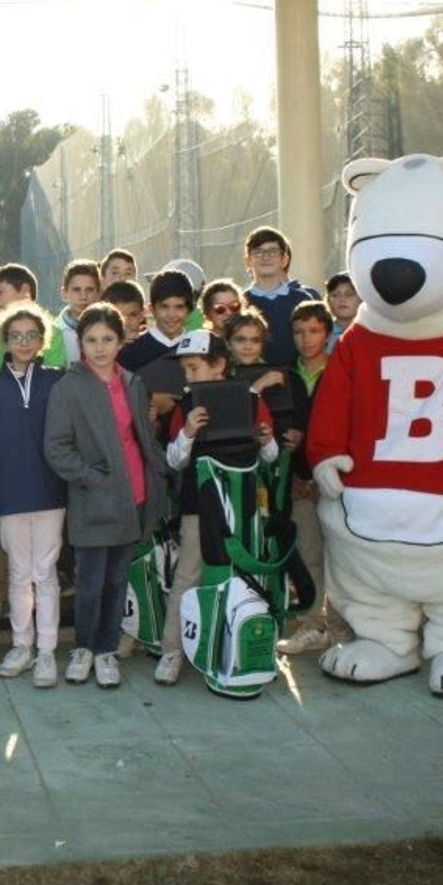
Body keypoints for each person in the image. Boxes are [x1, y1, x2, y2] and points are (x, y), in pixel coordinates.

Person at [43, 303, 165, 689]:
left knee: (117, 580)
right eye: (91, 340)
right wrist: (90, 478)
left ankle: (106, 650)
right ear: (79, 343)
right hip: (93, 499)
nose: (99, 348)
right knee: (90, 580)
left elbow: (143, 437)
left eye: (107, 339)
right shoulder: (68, 387)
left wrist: (160, 473)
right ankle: (83, 648)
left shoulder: (132, 382)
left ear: (121, 340)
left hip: (135, 494)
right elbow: (57, 447)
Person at [158, 329, 277, 685]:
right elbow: (174, 461)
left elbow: (269, 456)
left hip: (244, 507)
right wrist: (188, 432)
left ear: (219, 364)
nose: (189, 376)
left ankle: (244, 646)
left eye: (194, 367)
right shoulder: (185, 405)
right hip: (199, 504)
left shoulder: (252, 401)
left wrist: (267, 440)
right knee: (188, 574)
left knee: (246, 574)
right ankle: (171, 651)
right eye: (185, 370)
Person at [0, 305, 66, 688]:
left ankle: (46, 652)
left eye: (32, 335)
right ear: (5, 342)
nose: (24, 342)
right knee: (18, 573)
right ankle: (21, 645)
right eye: (16, 336)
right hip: (9, 490)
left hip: (50, 491)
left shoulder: (57, 380)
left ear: (43, 339)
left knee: (45, 574)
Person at [276, 300, 351, 655]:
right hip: (298, 482)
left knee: (344, 557)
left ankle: (341, 629)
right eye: (299, 331)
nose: (306, 339)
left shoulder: (341, 371)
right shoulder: (285, 375)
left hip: (337, 481)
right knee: (308, 554)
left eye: (314, 330)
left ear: (327, 332)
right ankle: (311, 623)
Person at [119, 269, 195, 419]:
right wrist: (149, 399)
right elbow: (116, 396)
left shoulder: (200, 346)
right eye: (164, 307)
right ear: (152, 309)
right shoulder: (129, 352)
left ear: (189, 310)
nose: (171, 314)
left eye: (179, 307)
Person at [242, 227, 321, 366]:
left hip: (296, 378)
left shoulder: (303, 299)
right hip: (251, 378)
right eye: (258, 251)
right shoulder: (241, 302)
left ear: (284, 259)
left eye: (273, 251)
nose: (265, 257)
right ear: (248, 260)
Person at [324, 271, 360, 350]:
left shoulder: (371, 331)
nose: (342, 299)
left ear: (361, 299)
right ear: (328, 300)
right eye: (335, 295)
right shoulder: (321, 334)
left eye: (349, 294)